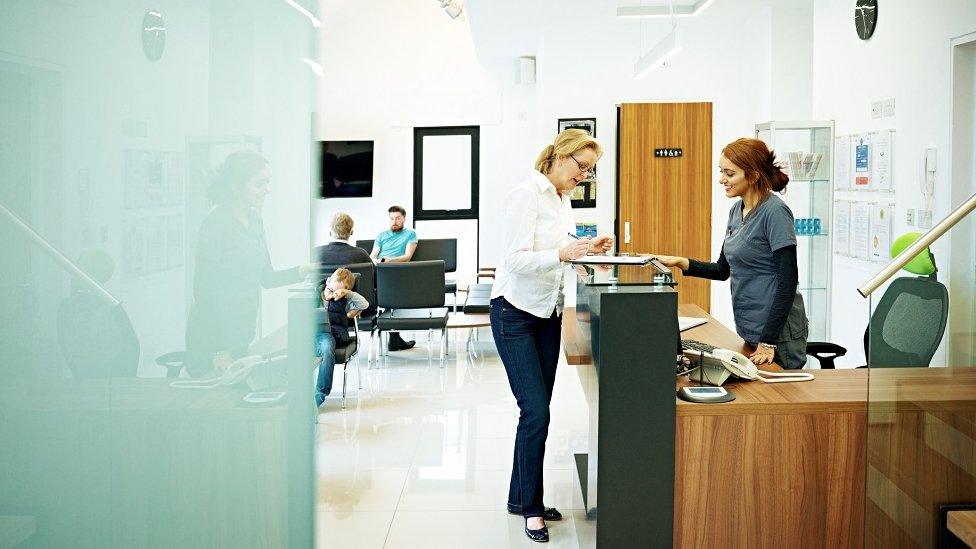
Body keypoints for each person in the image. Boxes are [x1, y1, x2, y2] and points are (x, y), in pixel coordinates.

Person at [490, 129, 613, 543]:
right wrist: (563, 254)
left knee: (535, 412)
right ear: (560, 157)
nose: (584, 176)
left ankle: (518, 496)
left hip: (547, 312)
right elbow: (513, 260)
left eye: (590, 171)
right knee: (536, 411)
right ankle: (531, 508)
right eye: (582, 167)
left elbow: (561, 250)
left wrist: (586, 250)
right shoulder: (527, 193)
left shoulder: (562, 200)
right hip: (514, 313)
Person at [652, 138, 809, 370]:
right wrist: (681, 262)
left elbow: (788, 281)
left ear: (753, 176)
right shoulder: (737, 210)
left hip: (777, 335)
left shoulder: (775, 212)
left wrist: (768, 341)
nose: (721, 179)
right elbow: (723, 269)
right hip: (751, 327)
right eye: (721, 171)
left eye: (729, 173)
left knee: (776, 398)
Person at [185, 150, 314, 377]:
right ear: (236, 187)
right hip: (213, 340)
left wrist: (302, 271)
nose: (267, 189)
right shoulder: (216, 224)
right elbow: (204, 291)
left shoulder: (255, 222)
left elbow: (267, 278)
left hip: (241, 333)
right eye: (259, 184)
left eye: (267, 183)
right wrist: (218, 351)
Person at [315, 267, 368, 406]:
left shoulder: (346, 299)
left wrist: (348, 293)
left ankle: (319, 394)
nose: (334, 295)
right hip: (313, 333)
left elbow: (364, 304)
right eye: (332, 291)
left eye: (338, 292)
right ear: (328, 282)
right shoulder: (316, 292)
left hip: (331, 335)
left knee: (327, 348)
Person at [370, 205, 418, 351]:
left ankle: (394, 338)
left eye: (398, 218)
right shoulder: (381, 235)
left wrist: (389, 261)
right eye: (392, 218)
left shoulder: (410, 234)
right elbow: (373, 255)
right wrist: (377, 262)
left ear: (404, 218)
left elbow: (407, 257)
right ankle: (394, 338)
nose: (394, 221)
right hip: (380, 270)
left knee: (390, 290)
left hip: (397, 270)